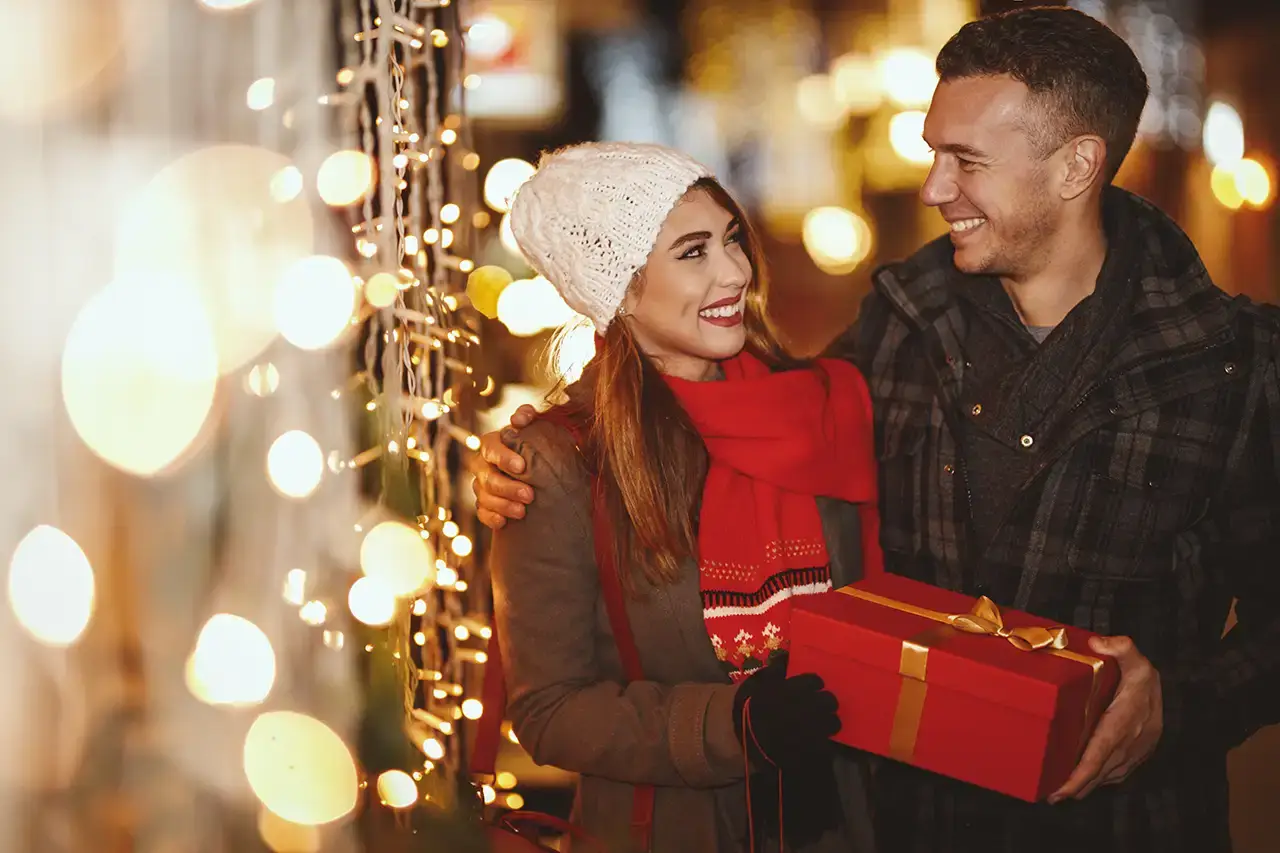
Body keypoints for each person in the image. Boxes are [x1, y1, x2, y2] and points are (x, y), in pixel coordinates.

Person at [472, 8, 1280, 853]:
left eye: (966, 161)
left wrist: (1179, 706)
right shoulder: (903, 326)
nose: (933, 188)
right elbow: (714, 408)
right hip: (904, 821)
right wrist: (538, 447)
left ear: (1077, 165)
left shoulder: (1233, 366)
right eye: (935, 153)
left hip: (1122, 827)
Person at [483, 141, 881, 853]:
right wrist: (731, 726)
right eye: (692, 253)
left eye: (731, 240)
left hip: (849, 823)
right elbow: (547, 708)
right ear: (621, 287)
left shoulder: (819, 403)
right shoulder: (562, 460)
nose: (735, 271)